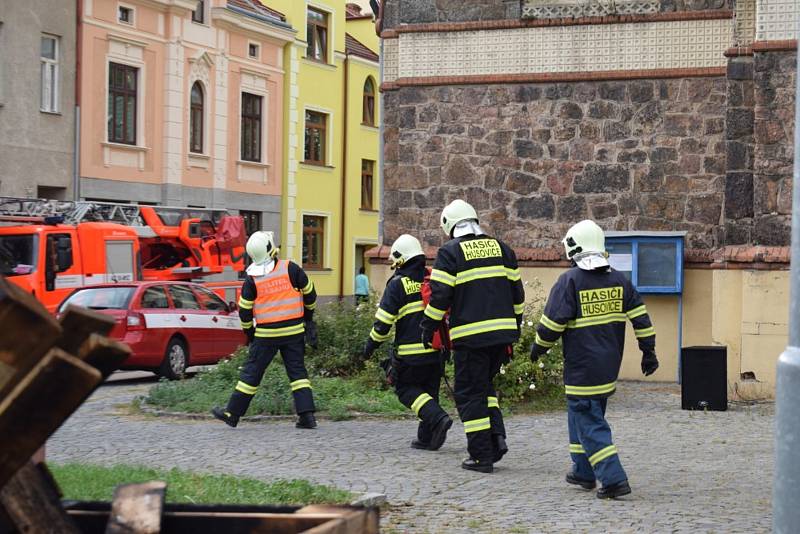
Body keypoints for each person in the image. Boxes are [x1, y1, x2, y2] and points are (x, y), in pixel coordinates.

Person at [530, 219, 658, 499]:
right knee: (584, 415)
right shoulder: (619, 280)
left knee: (589, 421)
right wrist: (649, 351)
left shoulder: (570, 281)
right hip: (608, 366)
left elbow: (552, 325)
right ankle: (583, 471)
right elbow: (641, 319)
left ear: (574, 248)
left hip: (581, 367)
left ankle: (613, 479)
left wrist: (538, 348)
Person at [420, 200, 525, 473]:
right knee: (485, 389)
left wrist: (427, 327)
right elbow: (517, 295)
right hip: (502, 337)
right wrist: (516, 326)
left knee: (469, 394)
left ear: (449, 226)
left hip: (471, 338)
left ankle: (481, 456)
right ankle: (496, 440)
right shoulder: (503, 249)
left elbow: (441, 295)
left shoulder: (450, 252)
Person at [212, 231, 319, 429]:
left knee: (251, 373)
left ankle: (232, 414)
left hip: (265, 335)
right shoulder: (291, 268)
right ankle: (307, 417)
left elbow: (245, 311)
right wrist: (308, 318)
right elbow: (310, 294)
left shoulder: (252, 279)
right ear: (271, 248)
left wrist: (249, 333)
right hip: (294, 332)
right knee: (298, 374)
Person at [363, 234, 453, 450]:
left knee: (405, 390)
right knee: (429, 393)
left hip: (410, 355)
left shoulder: (397, 285)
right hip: (436, 351)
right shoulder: (431, 280)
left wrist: (369, 346)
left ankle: (439, 418)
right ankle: (427, 438)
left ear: (401, 260)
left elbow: (383, 324)